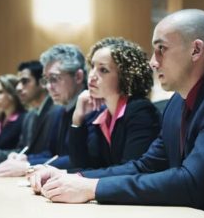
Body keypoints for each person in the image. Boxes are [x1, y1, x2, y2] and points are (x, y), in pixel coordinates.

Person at [29, 9, 204, 217]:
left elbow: (192, 183)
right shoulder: (178, 101)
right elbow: (145, 165)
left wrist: (92, 188)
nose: (153, 62)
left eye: (161, 49)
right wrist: (75, 178)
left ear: (196, 50)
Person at [68, 37, 160, 170]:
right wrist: (77, 120)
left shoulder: (140, 111)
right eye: (92, 66)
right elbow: (82, 165)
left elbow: (131, 170)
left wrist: (78, 177)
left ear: (126, 76)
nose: (92, 75)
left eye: (103, 70)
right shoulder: (104, 115)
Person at [0, 61, 61, 171]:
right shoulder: (30, 116)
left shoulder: (57, 111)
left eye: (25, 81)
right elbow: (22, 150)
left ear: (42, 83)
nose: (18, 87)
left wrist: (26, 162)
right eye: (18, 82)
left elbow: (54, 154)